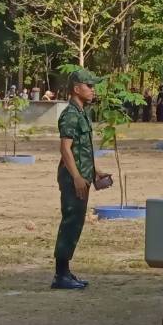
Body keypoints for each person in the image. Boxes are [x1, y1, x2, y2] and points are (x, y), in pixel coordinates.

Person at [53, 69, 111, 290]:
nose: (93, 90)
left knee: (76, 222)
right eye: (89, 86)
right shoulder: (70, 115)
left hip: (84, 175)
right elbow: (65, 149)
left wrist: (95, 172)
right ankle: (60, 275)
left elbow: (83, 149)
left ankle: (65, 272)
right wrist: (77, 176)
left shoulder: (83, 113)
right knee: (70, 222)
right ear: (77, 88)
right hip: (73, 178)